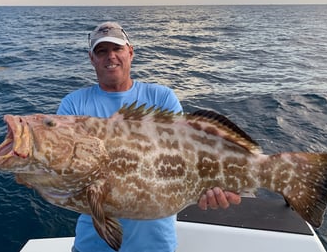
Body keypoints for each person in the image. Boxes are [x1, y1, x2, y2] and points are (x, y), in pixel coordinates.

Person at [57, 22, 241, 252]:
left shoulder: (162, 97)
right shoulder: (73, 104)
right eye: (101, 51)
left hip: (156, 246)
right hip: (91, 245)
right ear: (91, 58)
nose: (110, 56)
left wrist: (207, 187)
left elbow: (179, 156)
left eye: (117, 49)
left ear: (130, 52)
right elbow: (68, 173)